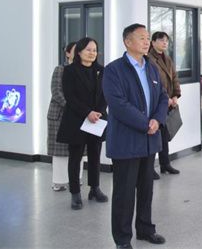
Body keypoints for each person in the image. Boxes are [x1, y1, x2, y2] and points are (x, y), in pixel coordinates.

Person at [103, 24, 168, 249]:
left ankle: (145, 229)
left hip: (149, 140)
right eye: (141, 38)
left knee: (146, 189)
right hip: (126, 141)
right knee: (124, 193)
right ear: (127, 42)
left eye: (148, 38)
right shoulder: (114, 70)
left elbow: (163, 96)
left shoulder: (151, 67)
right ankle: (122, 239)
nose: (146, 42)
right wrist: (145, 123)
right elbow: (118, 104)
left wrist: (157, 120)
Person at [57, 37, 108, 210]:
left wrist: (98, 112)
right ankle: (75, 193)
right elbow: (70, 97)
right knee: (75, 158)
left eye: (94, 50)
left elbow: (105, 94)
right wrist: (87, 112)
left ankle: (95, 188)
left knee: (95, 155)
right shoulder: (69, 71)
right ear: (79, 52)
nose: (92, 53)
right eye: (88, 50)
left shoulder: (101, 70)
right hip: (77, 120)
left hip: (97, 120)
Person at [148, 31, 182, 176]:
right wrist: (165, 98)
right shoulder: (149, 58)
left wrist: (175, 95)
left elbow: (174, 77)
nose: (165, 43)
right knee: (154, 135)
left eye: (166, 41)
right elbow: (153, 82)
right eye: (161, 40)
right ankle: (149, 168)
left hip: (168, 101)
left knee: (164, 135)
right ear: (153, 42)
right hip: (156, 102)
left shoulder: (167, 58)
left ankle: (165, 164)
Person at [47, 41, 77, 192]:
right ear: (67, 53)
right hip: (60, 114)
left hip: (77, 114)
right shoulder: (60, 69)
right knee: (60, 151)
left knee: (77, 149)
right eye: (75, 50)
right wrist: (71, 107)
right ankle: (59, 182)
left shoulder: (82, 70)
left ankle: (75, 180)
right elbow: (56, 91)